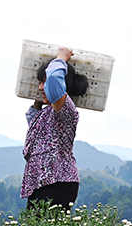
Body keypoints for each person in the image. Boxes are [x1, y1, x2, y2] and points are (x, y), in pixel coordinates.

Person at [21, 47, 87, 212]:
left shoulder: (66, 111)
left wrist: (61, 57)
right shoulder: (47, 113)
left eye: (44, 82)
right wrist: (39, 100)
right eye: (39, 83)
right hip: (43, 182)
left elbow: (55, 81)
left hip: (58, 182)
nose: (41, 87)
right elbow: (34, 120)